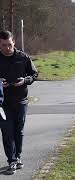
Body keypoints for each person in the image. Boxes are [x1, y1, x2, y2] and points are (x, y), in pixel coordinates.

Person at [0, 30, 38, 175]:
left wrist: (25, 80)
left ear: (14, 42)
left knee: (18, 131)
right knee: (7, 132)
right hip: (2, 103)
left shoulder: (23, 57)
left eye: (9, 45)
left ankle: (18, 156)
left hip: (21, 101)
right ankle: (12, 161)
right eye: (3, 45)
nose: (7, 48)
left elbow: (34, 74)